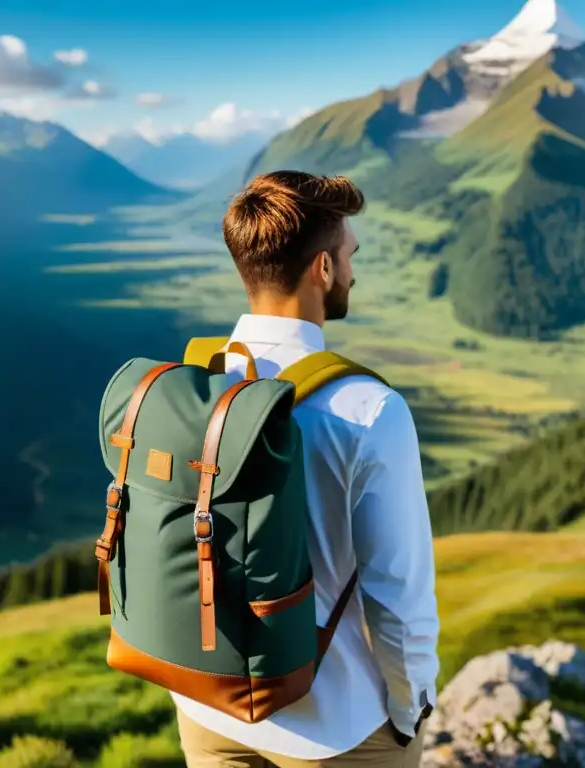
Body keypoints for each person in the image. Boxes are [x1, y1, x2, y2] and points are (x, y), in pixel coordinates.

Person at [171, 170, 440, 767]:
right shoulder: (368, 410)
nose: (351, 272)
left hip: (204, 703)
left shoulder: (195, 382)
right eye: (349, 256)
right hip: (330, 728)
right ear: (322, 268)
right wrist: (411, 709)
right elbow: (398, 594)